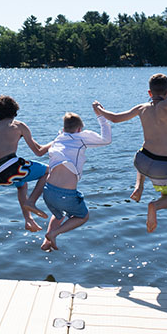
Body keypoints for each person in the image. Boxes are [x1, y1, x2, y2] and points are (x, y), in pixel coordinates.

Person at [94, 73, 167, 233]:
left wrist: (99, 109)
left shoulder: (142, 108)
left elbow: (115, 118)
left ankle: (139, 186)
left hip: (141, 160)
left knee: (144, 154)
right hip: (162, 166)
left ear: (149, 93)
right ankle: (154, 206)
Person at [40, 105, 111, 251]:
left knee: (58, 215)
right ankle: (54, 233)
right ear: (80, 129)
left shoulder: (59, 138)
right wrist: (100, 116)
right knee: (83, 216)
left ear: (64, 128)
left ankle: (47, 241)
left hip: (47, 191)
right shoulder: (81, 138)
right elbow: (106, 139)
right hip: (65, 194)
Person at [0, 95, 51, 232]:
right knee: (48, 170)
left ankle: (28, 220)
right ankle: (31, 202)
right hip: (11, 169)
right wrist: (55, 142)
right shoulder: (18, 125)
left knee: (21, 185)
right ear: (15, 110)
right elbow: (39, 152)